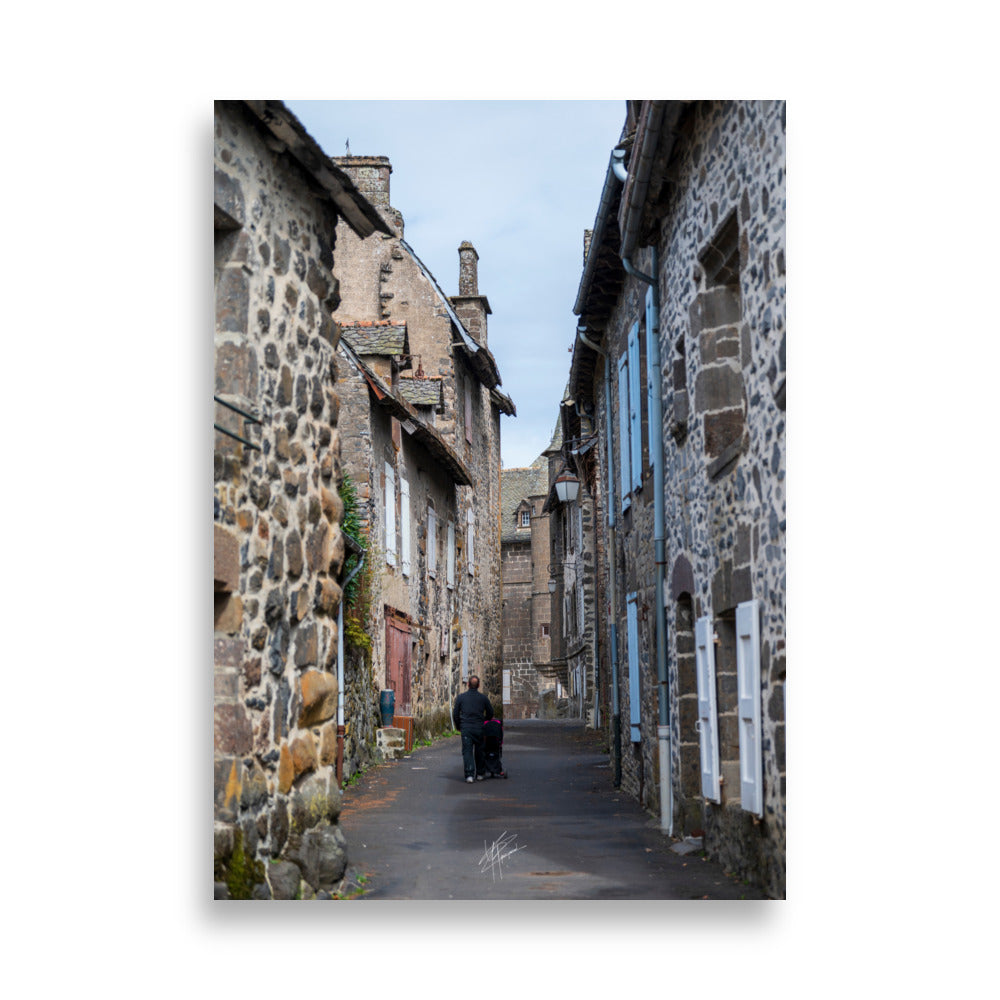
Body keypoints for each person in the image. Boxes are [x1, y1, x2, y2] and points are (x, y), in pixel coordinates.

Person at [452, 675, 494, 782]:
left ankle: (469, 774)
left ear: (468, 684)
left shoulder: (461, 697)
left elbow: (455, 713)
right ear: (479, 685)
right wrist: (484, 720)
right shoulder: (483, 698)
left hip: (466, 727)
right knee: (480, 750)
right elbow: (490, 712)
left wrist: (458, 725)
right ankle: (480, 773)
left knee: (467, 751)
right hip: (479, 727)